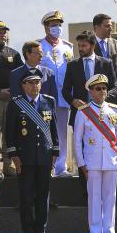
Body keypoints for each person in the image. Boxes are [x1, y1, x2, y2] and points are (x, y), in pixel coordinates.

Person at [5, 71, 58, 233]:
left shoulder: (49, 101)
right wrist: (14, 155)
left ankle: (40, 231)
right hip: (25, 157)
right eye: (31, 83)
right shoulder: (16, 104)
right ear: (24, 85)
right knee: (26, 196)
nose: (35, 86)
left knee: (43, 196)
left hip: (44, 155)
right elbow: (10, 132)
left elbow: (53, 129)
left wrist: (55, 153)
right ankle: (28, 232)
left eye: (37, 82)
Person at [73, 74, 117, 233]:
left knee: (110, 197)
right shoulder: (83, 112)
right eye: (98, 88)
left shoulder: (114, 110)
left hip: (110, 159)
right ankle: (95, 231)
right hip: (92, 161)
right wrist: (81, 163)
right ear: (91, 91)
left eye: (104, 88)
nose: (102, 91)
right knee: (94, 197)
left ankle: (109, 230)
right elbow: (77, 140)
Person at [38, 10, 73, 177]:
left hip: (63, 96)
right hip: (45, 96)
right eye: (53, 25)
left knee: (62, 133)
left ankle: (61, 166)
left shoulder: (68, 47)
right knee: (44, 131)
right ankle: (46, 166)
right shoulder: (39, 46)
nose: (57, 28)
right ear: (46, 27)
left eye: (59, 25)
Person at [62, 31, 117, 127]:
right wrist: (73, 101)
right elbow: (65, 90)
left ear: (92, 45)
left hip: (102, 114)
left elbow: (114, 88)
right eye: (79, 46)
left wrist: (102, 98)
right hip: (79, 114)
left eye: (84, 46)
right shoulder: (72, 65)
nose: (80, 49)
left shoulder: (106, 63)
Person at [0, 20, 23, 176]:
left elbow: (22, 74)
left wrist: (14, 91)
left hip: (11, 98)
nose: (3, 35)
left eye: (5, 32)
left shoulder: (13, 53)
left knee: (9, 131)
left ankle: (7, 164)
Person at [92, 13, 117, 106]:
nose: (110, 29)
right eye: (107, 26)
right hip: (95, 96)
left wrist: (115, 90)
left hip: (116, 97)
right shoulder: (89, 44)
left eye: (111, 26)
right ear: (97, 27)